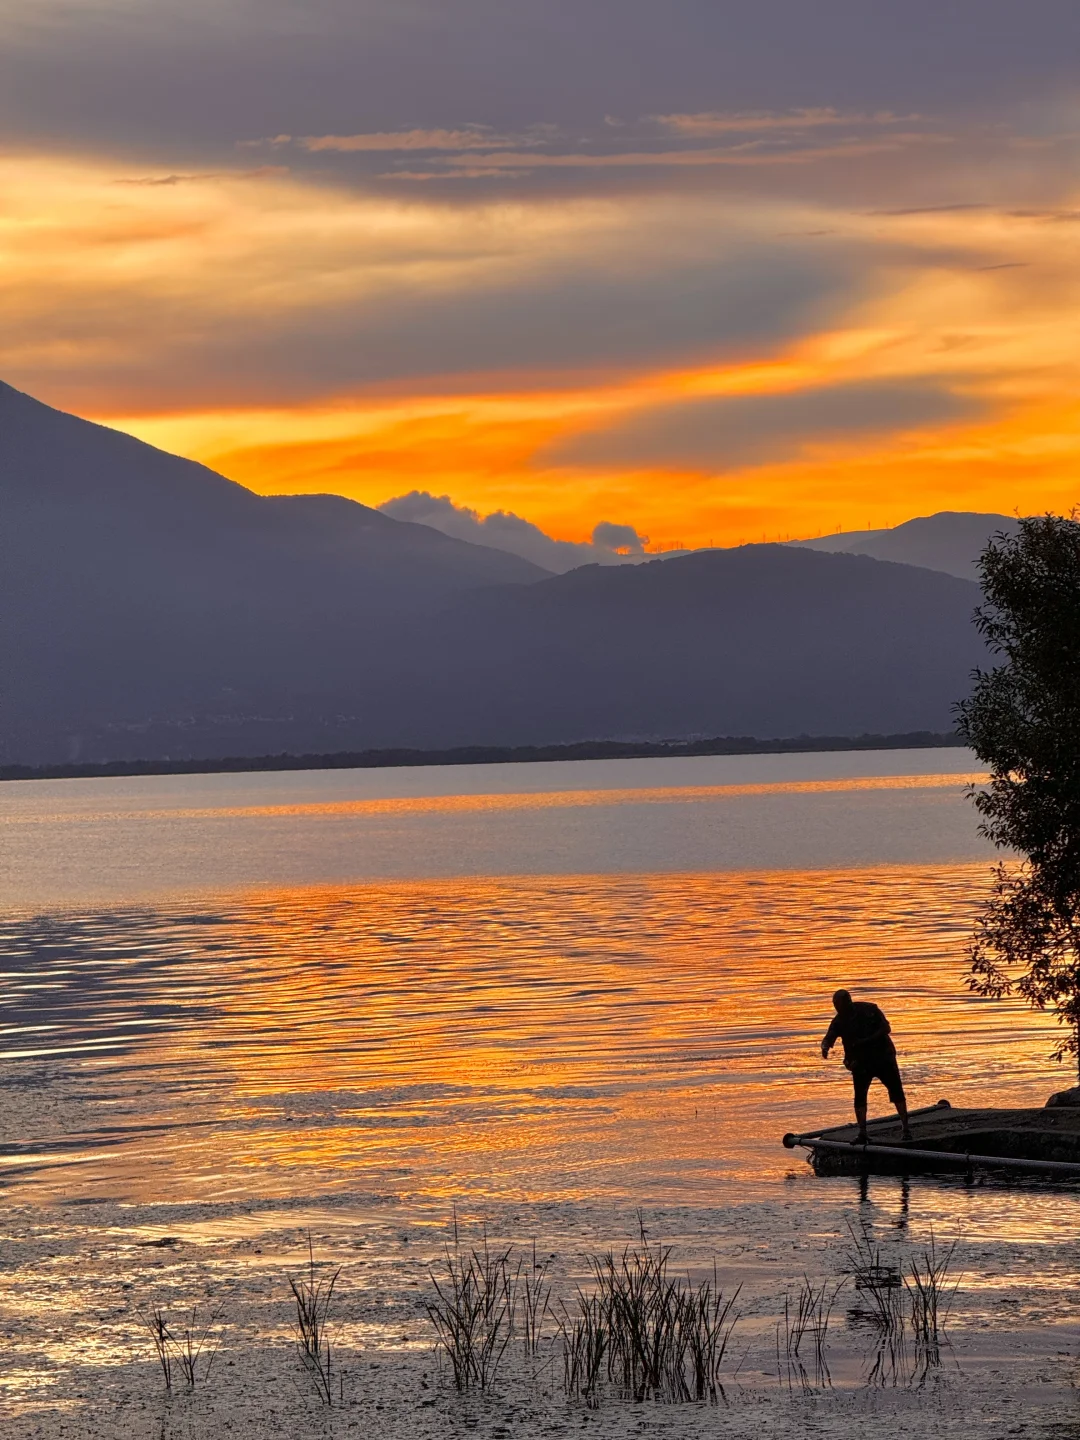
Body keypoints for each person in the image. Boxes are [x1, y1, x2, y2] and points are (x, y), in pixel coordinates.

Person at [821, 989, 911, 1144]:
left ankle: (906, 1129)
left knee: (896, 1090)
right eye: (835, 1006)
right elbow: (829, 1036)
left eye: (840, 1005)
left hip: (883, 1057)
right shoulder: (839, 1020)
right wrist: (825, 1047)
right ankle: (862, 1132)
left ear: (848, 1001)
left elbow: (886, 1029)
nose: (838, 1009)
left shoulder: (869, 1010)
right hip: (860, 1062)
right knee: (859, 1096)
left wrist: (867, 1040)